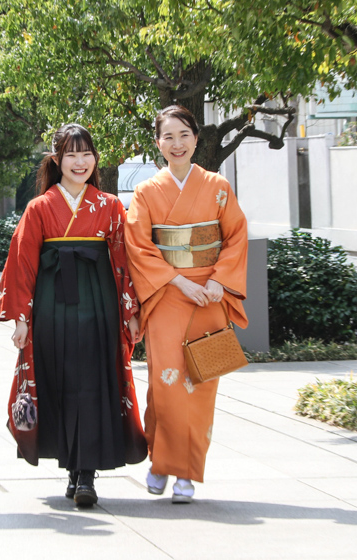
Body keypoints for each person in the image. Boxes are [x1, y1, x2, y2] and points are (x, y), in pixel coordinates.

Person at [0, 124, 147, 507]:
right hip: (51, 306)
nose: (80, 162)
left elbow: (123, 259)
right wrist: (21, 318)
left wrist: (130, 311)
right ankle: (71, 465)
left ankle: (86, 474)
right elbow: (23, 262)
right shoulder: (39, 207)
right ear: (56, 160)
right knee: (58, 380)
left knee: (94, 383)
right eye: (71, 154)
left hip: (99, 305)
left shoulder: (110, 206)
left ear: (95, 158)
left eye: (86, 153)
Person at [125, 105, 248, 504]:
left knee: (202, 385)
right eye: (168, 137)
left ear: (196, 139)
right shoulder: (146, 192)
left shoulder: (218, 186)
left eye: (184, 135)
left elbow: (235, 237)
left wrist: (218, 281)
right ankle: (163, 463)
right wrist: (177, 280)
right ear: (158, 143)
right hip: (167, 296)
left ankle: (185, 473)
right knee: (166, 385)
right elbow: (139, 246)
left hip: (210, 296)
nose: (176, 144)